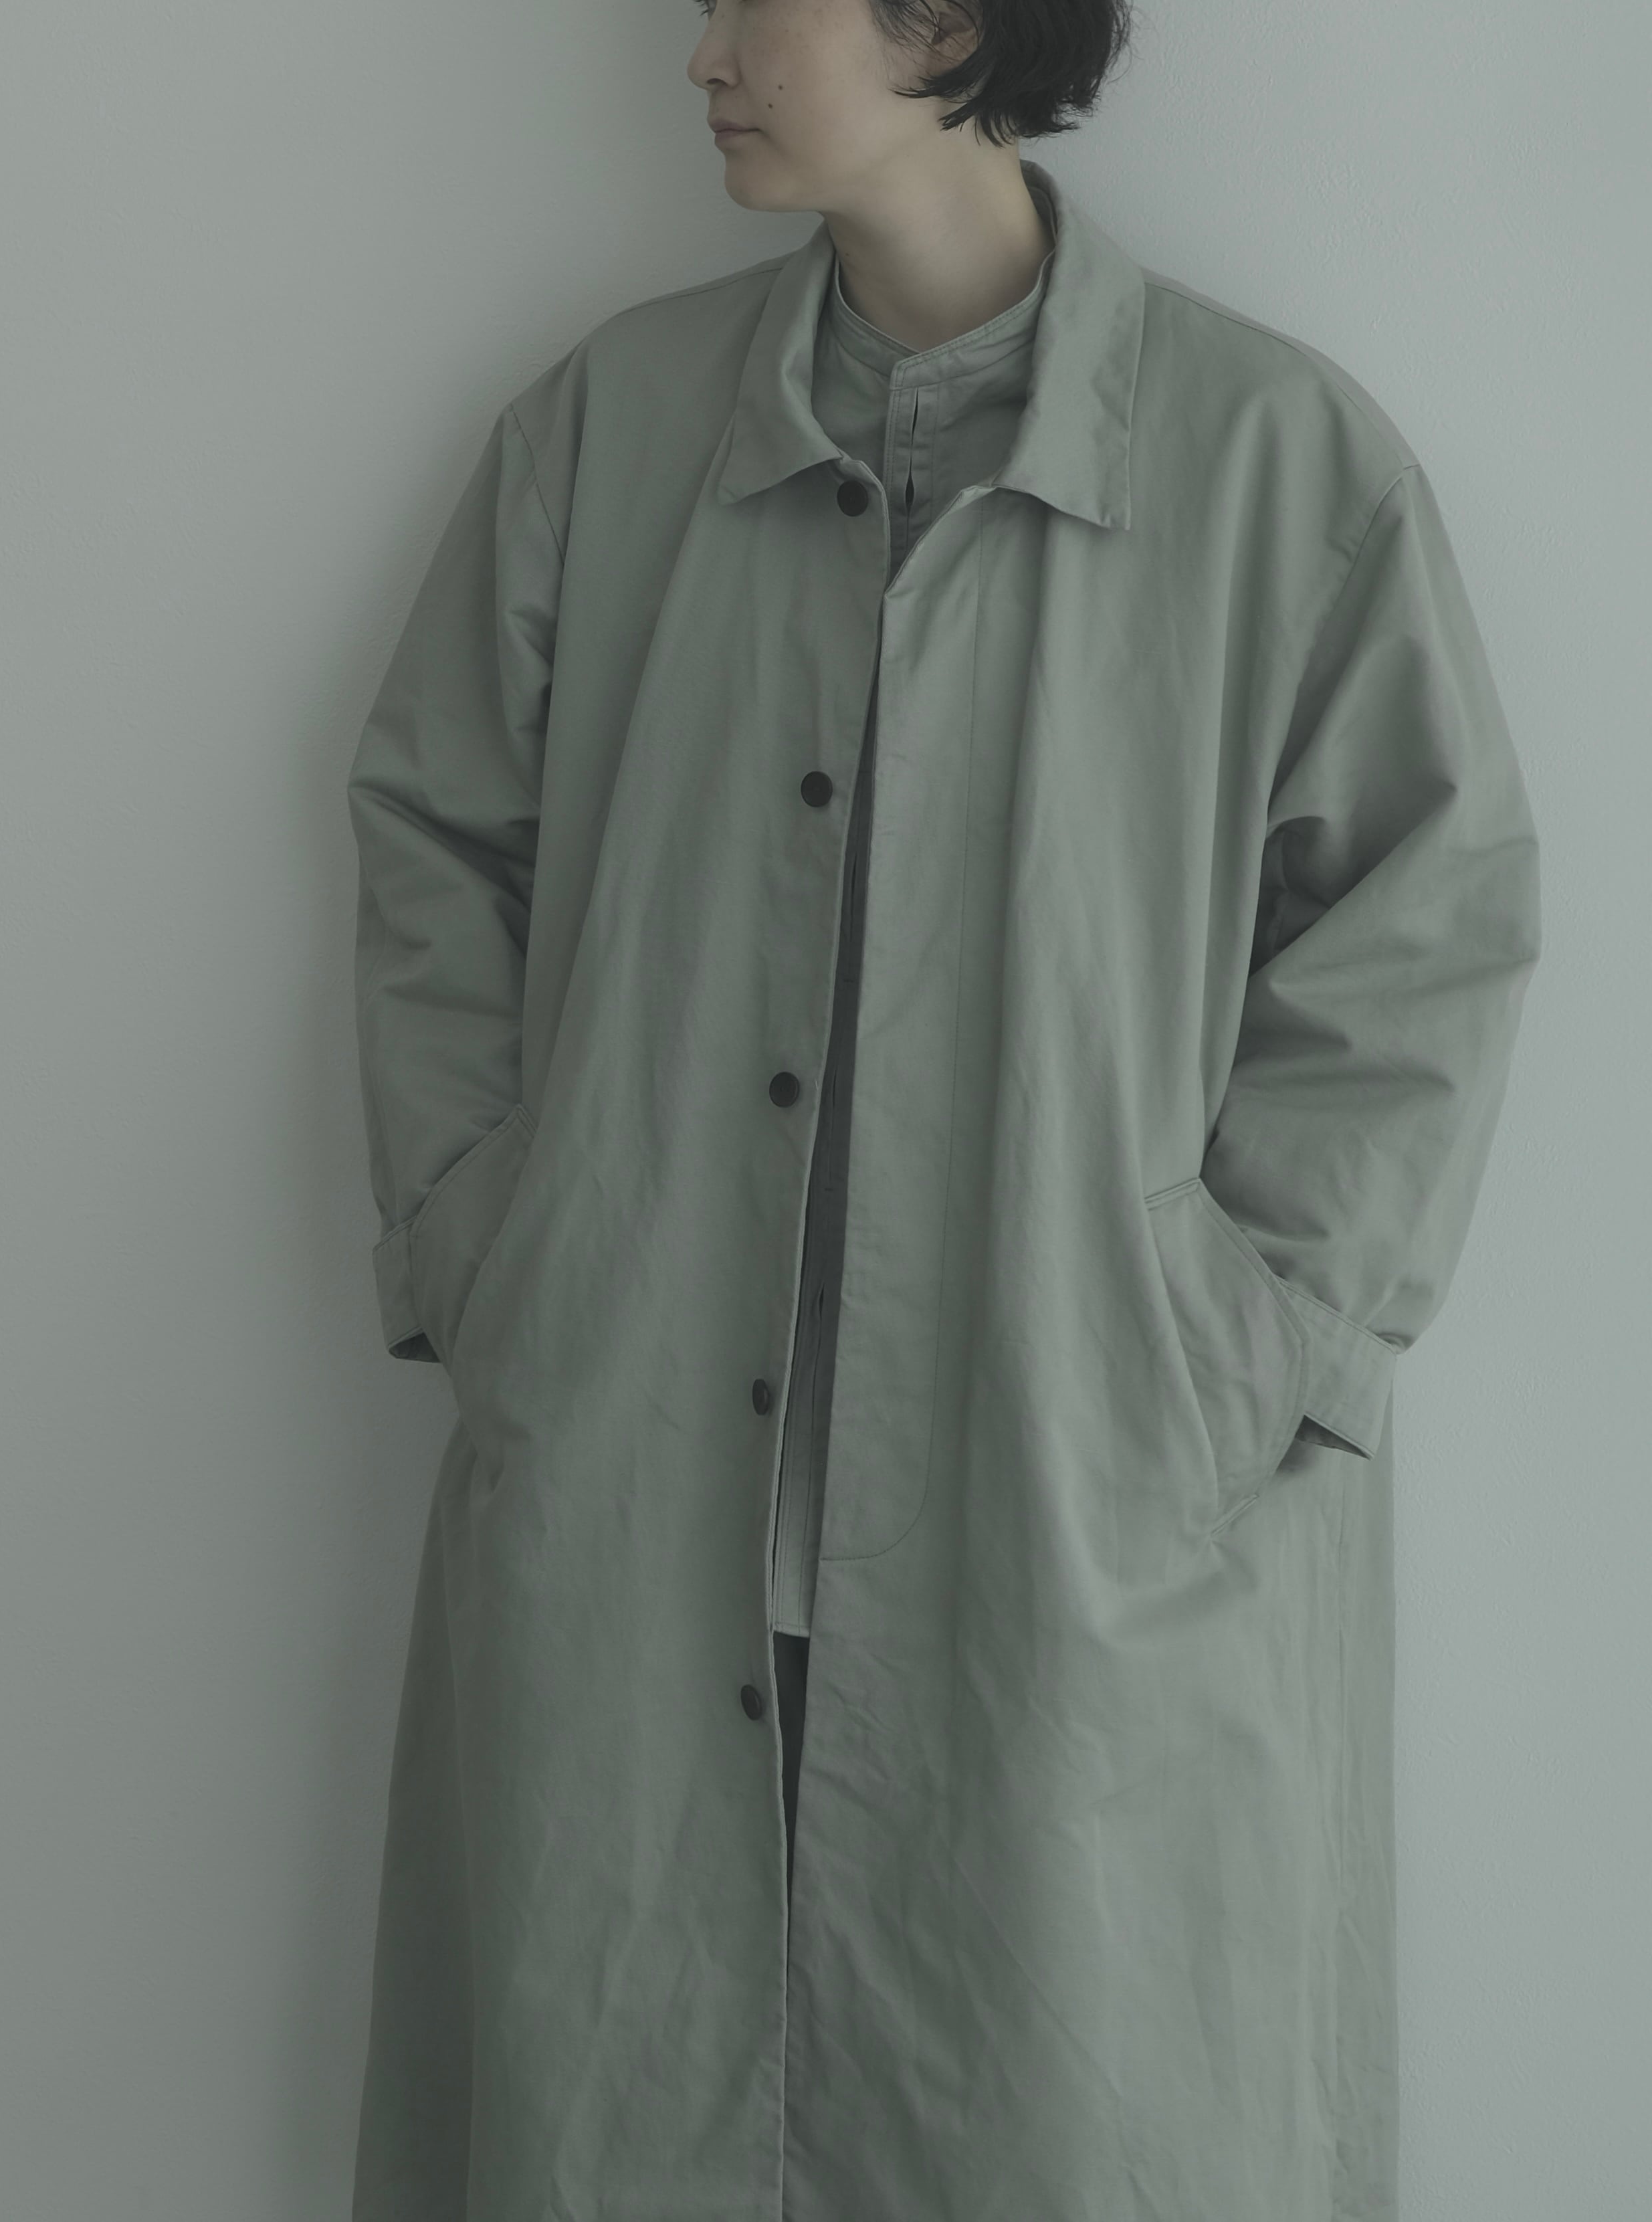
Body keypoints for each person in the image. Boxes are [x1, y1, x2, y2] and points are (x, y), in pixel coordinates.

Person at [340, 1, 1542, 2217]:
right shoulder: (608, 432)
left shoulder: (1280, 467)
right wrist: (495, 1245)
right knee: (617, 2084)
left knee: (1076, 2100)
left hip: (1077, 1505)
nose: (698, 50)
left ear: (955, 19)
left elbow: (1426, 931)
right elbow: (436, 840)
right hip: (640, 1477)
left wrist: (1240, 1336)